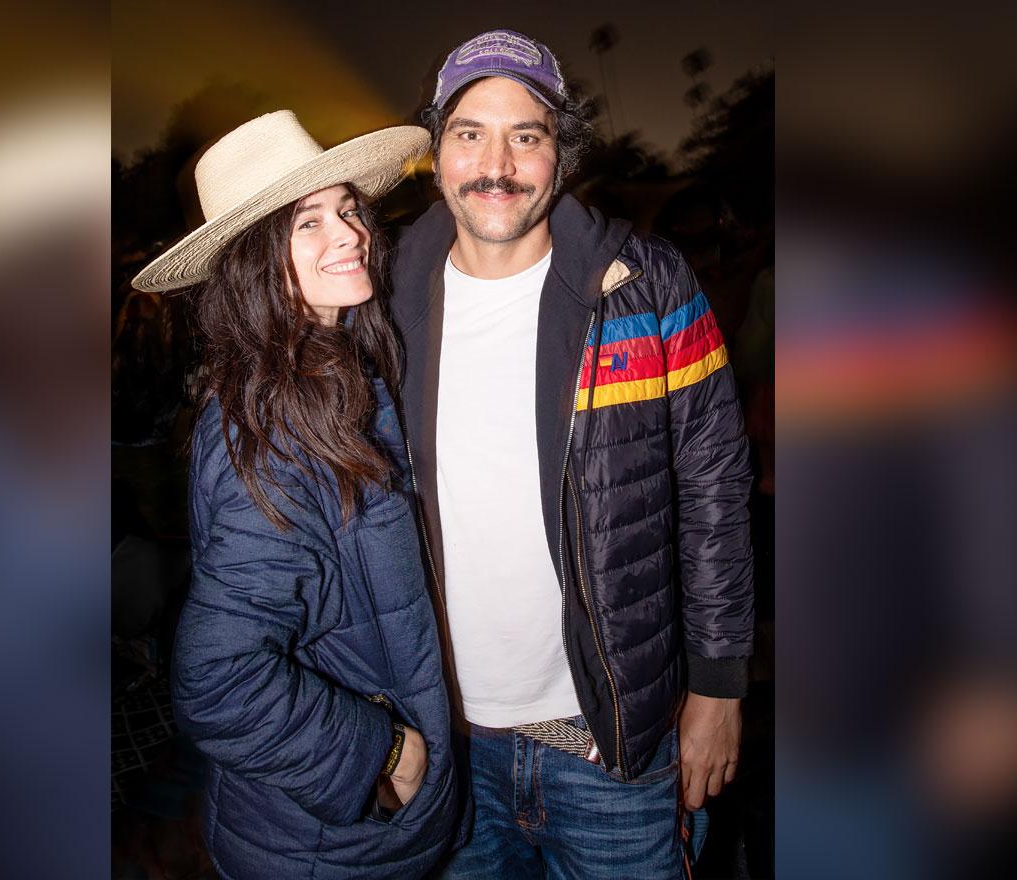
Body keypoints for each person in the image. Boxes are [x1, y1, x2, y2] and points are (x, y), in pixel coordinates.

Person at [390, 30, 755, 877]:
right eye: (470, 133)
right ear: (436, 151)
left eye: (528, 135)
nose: (497, 163)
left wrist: (720, 684)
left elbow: (715, 487)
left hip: (612, 746)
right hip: (444, 746)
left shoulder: (649, 284)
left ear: (563, 155)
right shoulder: (384, 294)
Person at [130, 111, 463, 879]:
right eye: (307, 222)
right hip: (321, 849)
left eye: (347, 209)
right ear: (253, 263)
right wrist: (381, 751)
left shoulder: (331, 378)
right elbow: (218, 679)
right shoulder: (279, 423)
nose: (348, 233)